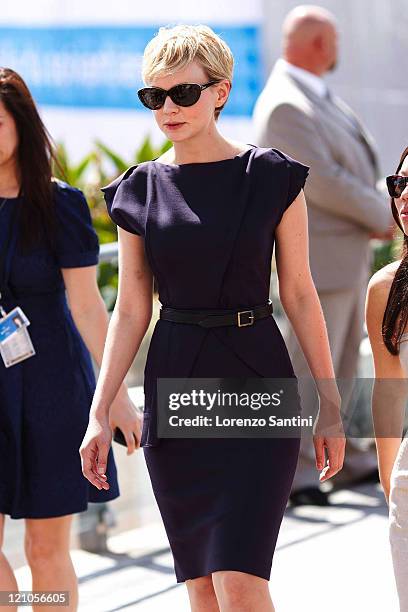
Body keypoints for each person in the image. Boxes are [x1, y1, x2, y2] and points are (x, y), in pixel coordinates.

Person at [80, 25, 345, 612]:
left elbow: (300, 294)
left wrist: (328, 402)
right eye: (155, 96)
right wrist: (101, 411)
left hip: (255, 380)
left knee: (240, 579)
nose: (168, 108)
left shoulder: (272, 177)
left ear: (220, 92)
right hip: (176, 383)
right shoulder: (139, 190)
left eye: (183, 93)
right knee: (201, 582)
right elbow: (129, 309)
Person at [0, 68, 141, 612]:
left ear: (22, 124)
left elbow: (87, 305)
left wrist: (116, 397)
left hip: (51, 387)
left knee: (44, 549)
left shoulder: (59, 205)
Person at [253, 5, 394, 506]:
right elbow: (326, 182)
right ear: (316, 43)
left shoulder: (312, 95)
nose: (338, 50)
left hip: (344, 258)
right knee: (310, 369)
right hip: (316, 263)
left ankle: (345, 456)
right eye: (333, 41)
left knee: (342, 365)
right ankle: (295, 469)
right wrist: (387, 212)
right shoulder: (287, 105)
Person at [366, 146, 408, 612]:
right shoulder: (386, 289)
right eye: (399, 184)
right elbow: (388, 390)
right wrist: (392, 483)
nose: (405, 195)